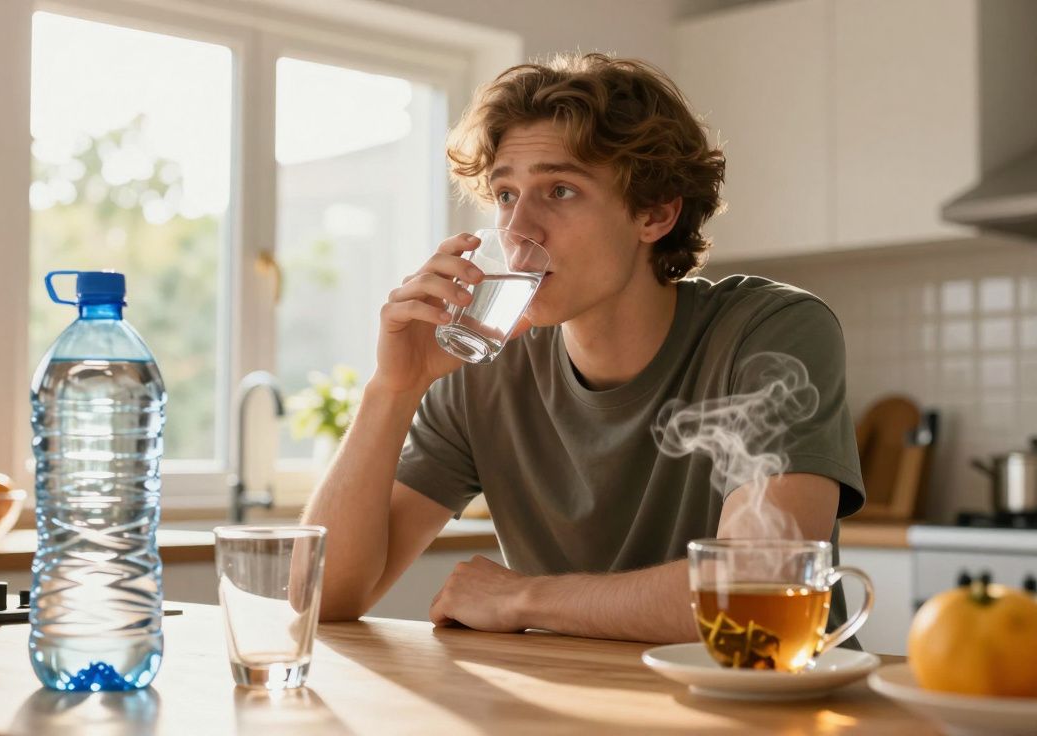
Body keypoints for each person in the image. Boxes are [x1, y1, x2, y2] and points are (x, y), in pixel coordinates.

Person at [300, 52, 864, 644]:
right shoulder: (484, 366)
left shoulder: (769, 330)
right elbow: (323, 597)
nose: (518, 231)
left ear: (655, 213)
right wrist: (393, 389)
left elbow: (761, 593)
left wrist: (524, 597)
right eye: (506, 194)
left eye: (560, 190)